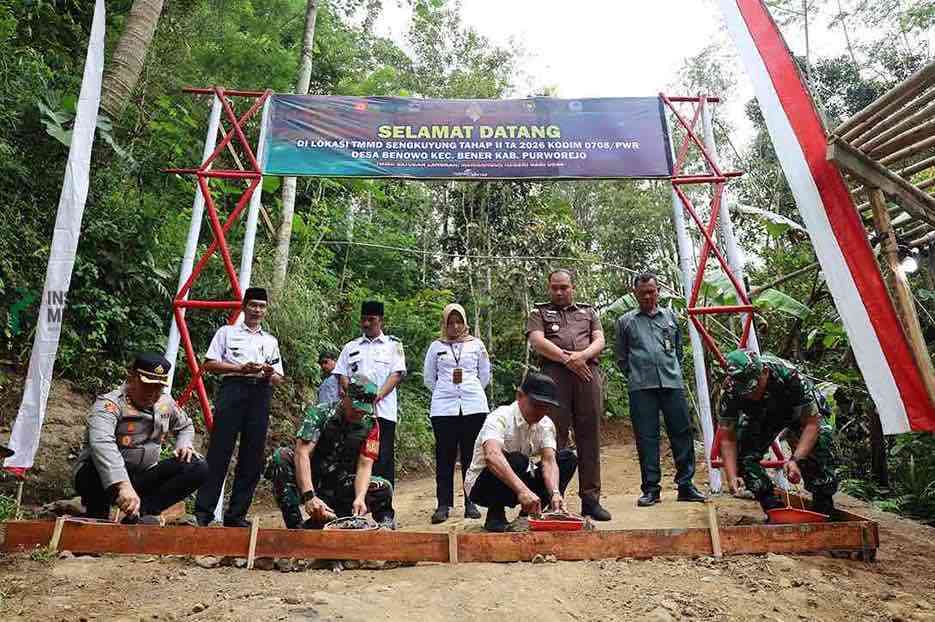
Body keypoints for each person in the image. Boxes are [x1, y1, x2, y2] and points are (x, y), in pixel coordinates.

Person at [73, 353, 208, 524]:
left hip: (142, 477)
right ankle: (97, 514)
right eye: (147, 386)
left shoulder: (165, 403)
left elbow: (185, 426)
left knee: (197, 466)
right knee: (91, 469)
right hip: (105, 479)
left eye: (158, 387)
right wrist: (122, 484)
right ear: (132, 377)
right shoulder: (109, 405)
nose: (153, 393)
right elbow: (102, 445)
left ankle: (142, 513)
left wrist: (184, 444)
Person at [194, 287, 284, 528]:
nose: (257, 310)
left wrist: (268, 373)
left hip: (261, 392)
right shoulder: (227, 332)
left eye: (262, 306)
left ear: (266, 310)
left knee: (252, 455)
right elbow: (209, 364)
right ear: (244, 307)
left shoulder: (270, 341)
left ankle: (236, 516)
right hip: (233, 388)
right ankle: (202, 513)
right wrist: (239, 368)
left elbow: (278, 377)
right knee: (219, 451)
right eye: (253, 305)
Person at [526, 268, 611, 521]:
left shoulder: (589, 312)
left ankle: (591, 500)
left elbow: (600, 340)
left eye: (564, 287)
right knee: (553, 437)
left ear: (573, 287)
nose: (559, 292)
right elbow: (537, 341)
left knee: (589, 436)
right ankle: (554, 497)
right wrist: (567, 359)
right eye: (555, 287)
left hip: (587, 374)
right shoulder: (539, 312)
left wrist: (581, 357)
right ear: (549, 288)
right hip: (554, 377)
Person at [615, 272, 705, 507]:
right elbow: (621, 357)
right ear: (635, 293)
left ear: (658, 292)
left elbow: (677, 349)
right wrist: (635, 375)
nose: (647, 296)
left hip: (672, 383)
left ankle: (686, 485)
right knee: (647, 438)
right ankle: (651, 489)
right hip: (641, 387)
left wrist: (672, 370)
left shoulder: (671, 317)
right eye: (643, 293)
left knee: (682, 433)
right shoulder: (625, 321)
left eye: (651, 292)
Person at [718, 349, 839, 518]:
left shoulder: (790, 376)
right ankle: (773, 508)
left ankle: (823, 505)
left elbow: (812, 424)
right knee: (743, 455)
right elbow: (727, 439)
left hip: (797, 411)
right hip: (763, 416)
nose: (751, 394)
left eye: (753, 387)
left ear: (765, 372)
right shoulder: (731, 390)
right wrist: (732, 477)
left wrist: (795, 460)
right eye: (745, 391)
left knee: (821, 442)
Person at [265, 374, 394, 529]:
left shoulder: (371, 424)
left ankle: (384, 527)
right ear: (345, 396)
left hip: (340, 484)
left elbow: (365, 465)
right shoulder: (321, 413)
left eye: (363, 410)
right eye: (355, 408)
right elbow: (302, 453)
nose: (359, 414)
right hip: (311, 477)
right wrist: (309, 496)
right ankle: (295, 527)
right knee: (281, 457)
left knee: (383, 487)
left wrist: (360, 497)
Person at [464, 372, 578, 532]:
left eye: (545, 407)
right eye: (536, 405)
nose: (540, 412)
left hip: (519, 478)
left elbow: (549, 461)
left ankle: (530, 514)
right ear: (519, 396)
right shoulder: (499, 417)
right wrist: (523, 491)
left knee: (567, 459)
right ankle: (495, 514)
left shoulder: (545, 424)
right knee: (519, 460)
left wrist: (555, 492)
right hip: (482, 485)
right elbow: (492, 456)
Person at [333, 300, 406, 525]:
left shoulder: (393, 346)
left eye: (371, 319)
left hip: (383, 413)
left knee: (382, 461)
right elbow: (341, 374)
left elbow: (396, 374)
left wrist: (376, 396)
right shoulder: (350, 347)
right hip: (355, 415)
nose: (366, 323)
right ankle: (352, 512)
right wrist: (356, 398)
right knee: (353, 461)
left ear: (380, 320)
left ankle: (384, 514)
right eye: (363, 319)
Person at [423, 303, 491, 523]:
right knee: (445, 456)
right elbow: (429, 378)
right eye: (450, 322)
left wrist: (469, 389)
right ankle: (443, 505)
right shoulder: (436, 346)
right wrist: (446, 391)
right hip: (444, 408)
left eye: (459, 321)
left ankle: (471, 501)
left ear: (465, 322)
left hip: (473, 405)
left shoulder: (476, 345)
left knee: (472, 456)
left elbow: (484, 375)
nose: (455, 326)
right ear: (444, 324)